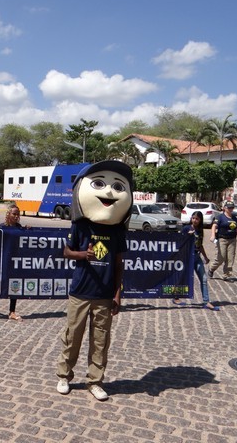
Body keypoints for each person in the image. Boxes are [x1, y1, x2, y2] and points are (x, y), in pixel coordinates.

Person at [56, 160, 133, 402]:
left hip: (104, 295)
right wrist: (83, 255)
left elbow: (119, 264)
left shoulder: (117, 231)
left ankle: (95, 381)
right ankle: (64, 376)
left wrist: (117, 294)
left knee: (100, 341)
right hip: (80, 291)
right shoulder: (80, 226)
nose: (108, 192)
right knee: (72, 337)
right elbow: (66, 252)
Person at [0, 204, 31, 321]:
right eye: (14, 214)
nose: (16, 216)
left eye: (18, 214)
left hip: (15, 261)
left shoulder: (19, 227)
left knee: (15, 284)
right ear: (8, 214)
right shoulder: (2, 227)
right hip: (4, 260)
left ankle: (12, 312)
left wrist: (28, 230)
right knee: (2, 282)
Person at [172, 211, 219, 311]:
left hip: (197, 257)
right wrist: (187, 236)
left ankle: (206, 301)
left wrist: (205, 257)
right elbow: (179, 242)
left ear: (200, 220)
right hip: (187, 257)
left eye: (197, 219)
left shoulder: (200, 230)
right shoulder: (186, 228)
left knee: (204, 278)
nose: (195, 220)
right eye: (193, 218)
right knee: (182, 277)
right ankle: (175, 297)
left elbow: (200, 245)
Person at [209, 201, 237, 281]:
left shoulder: (234, 218)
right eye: (229, 207)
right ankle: (211, 268)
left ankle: (226, 275)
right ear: (225, 208)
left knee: (230, 258)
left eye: (232, 207)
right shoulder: (220, 217)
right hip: (222, 239)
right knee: (221, 258)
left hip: (232, 240)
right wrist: (213, 235)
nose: (230, 209)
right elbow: (214, 226)